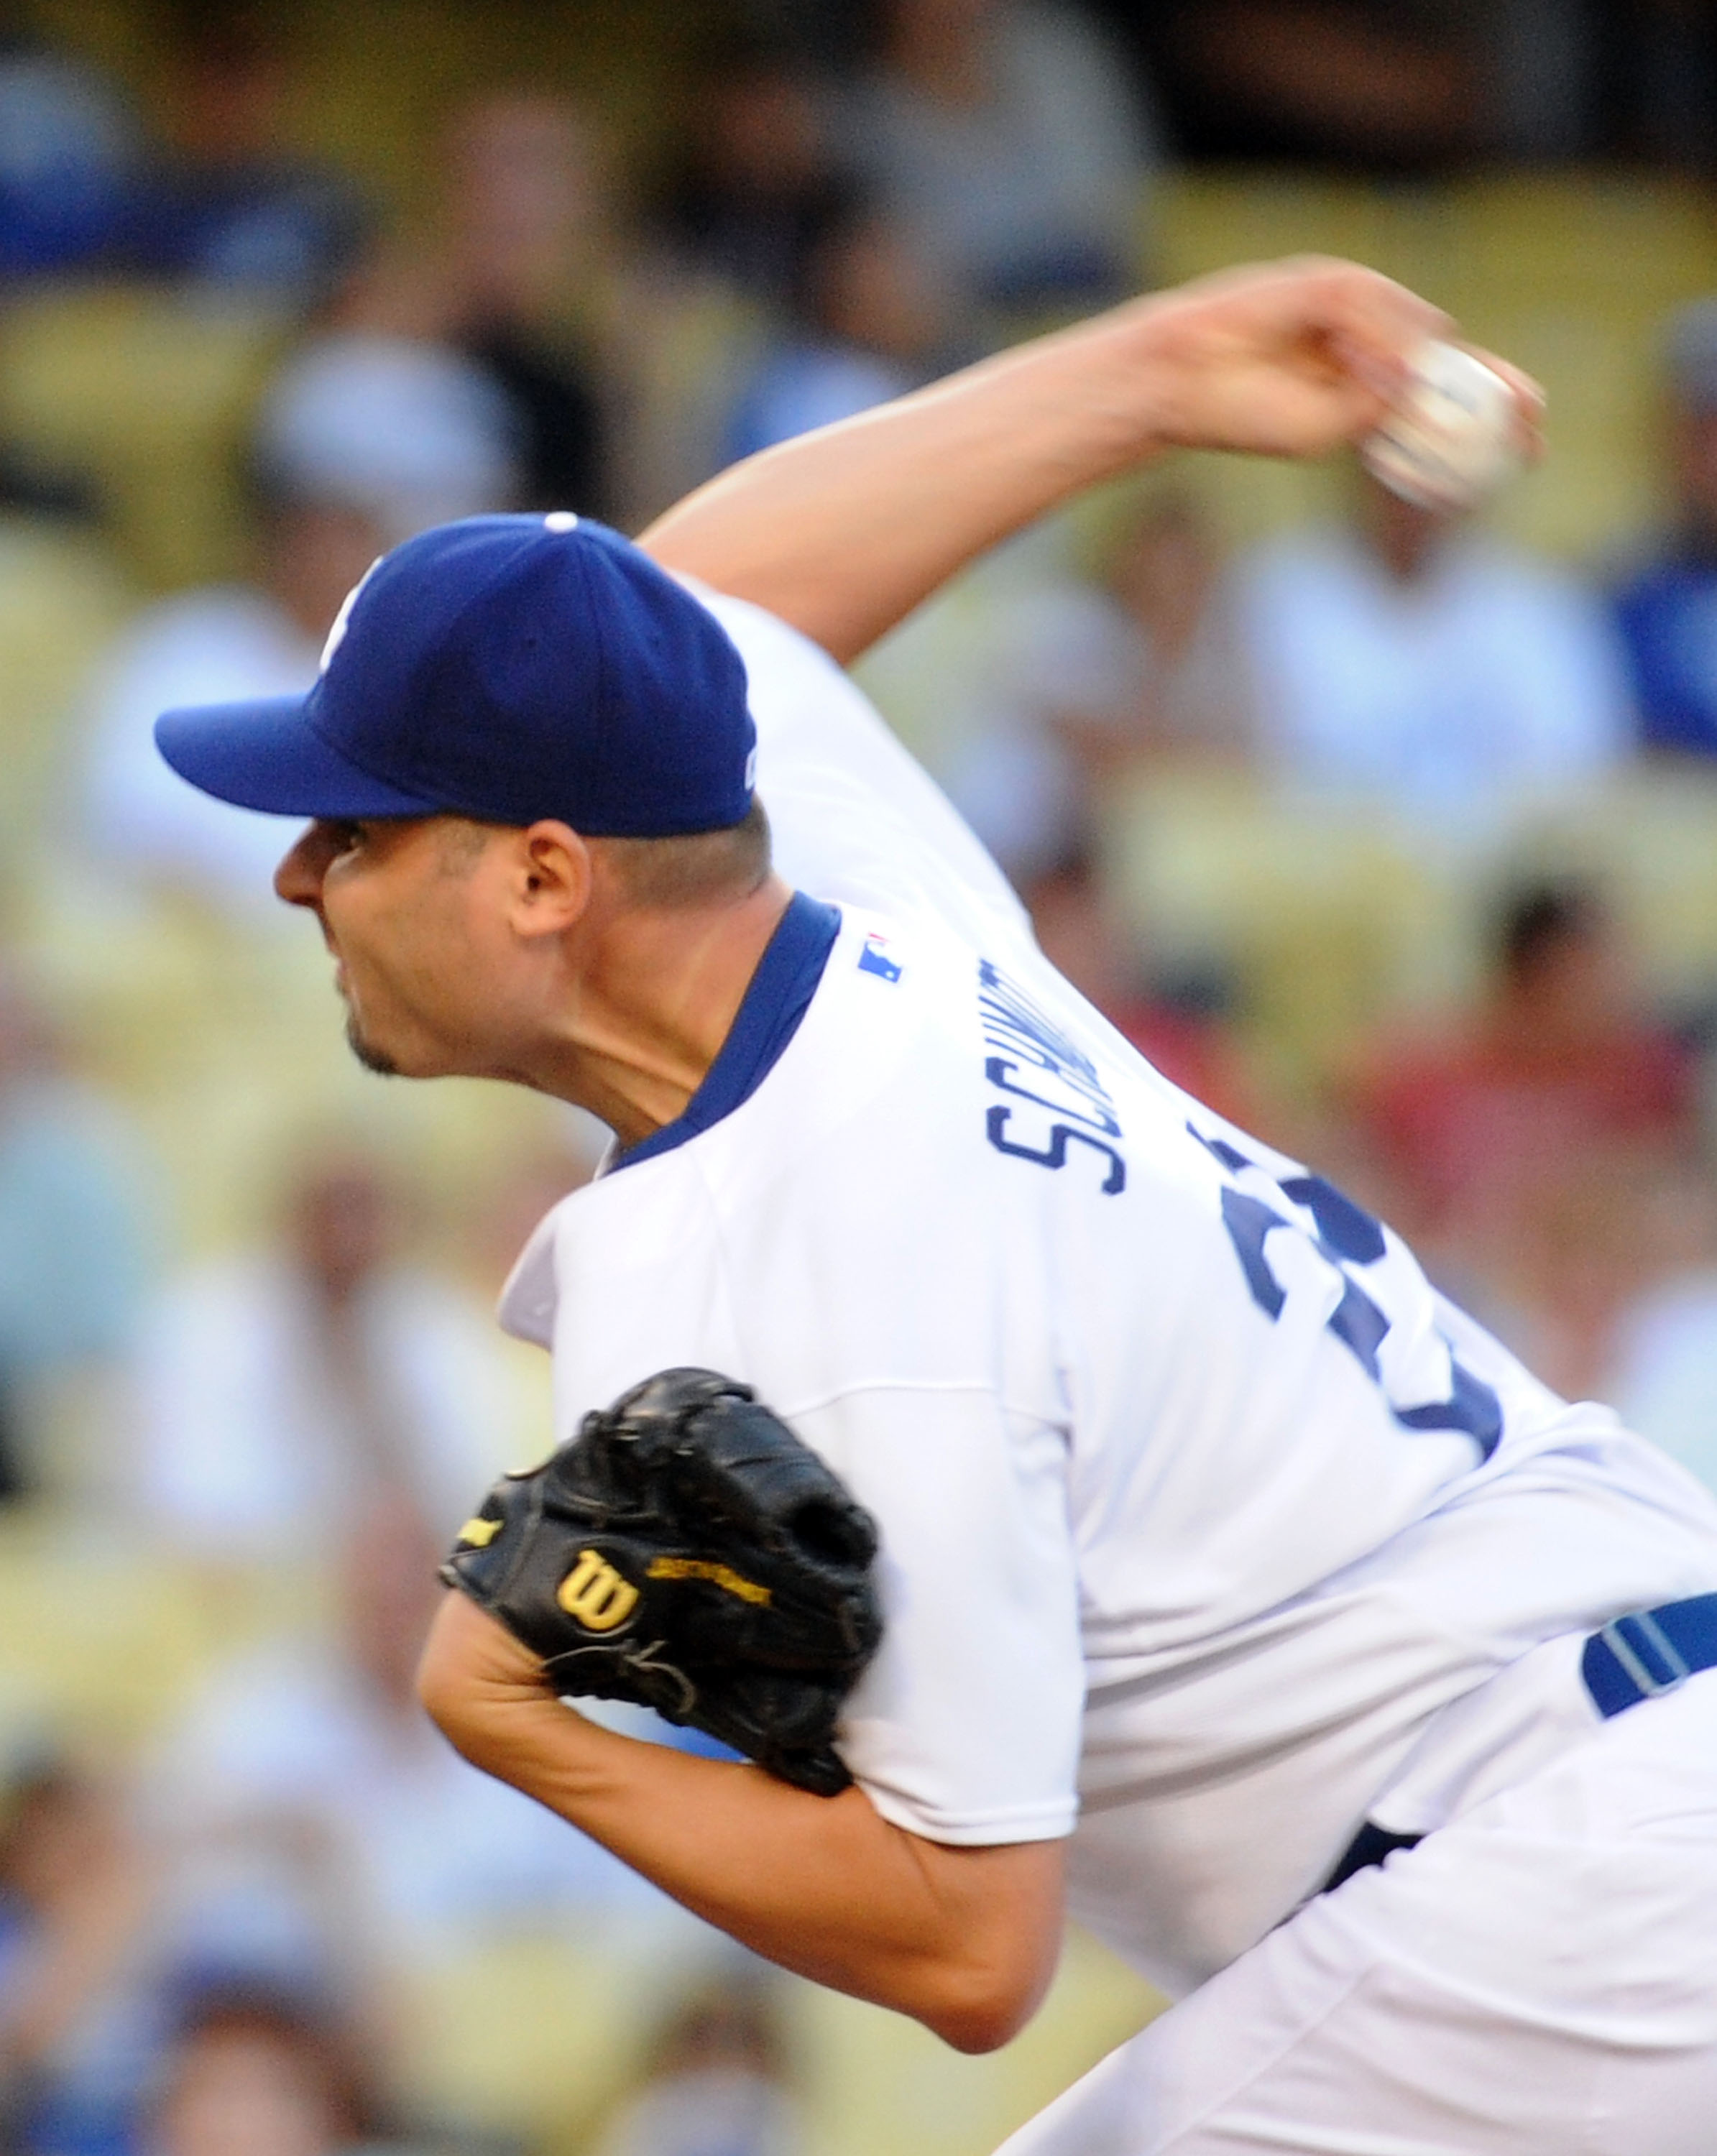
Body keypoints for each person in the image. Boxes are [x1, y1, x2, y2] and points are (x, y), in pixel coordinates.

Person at [149, 262, 1717, 2152]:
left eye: (358, 831)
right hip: (1604, 1764)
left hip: (1563, 1904)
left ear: (549, 881)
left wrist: (514, 1721)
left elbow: (973, 1952)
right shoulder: (829, 895)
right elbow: (698, 610)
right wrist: (1146, 374)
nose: (298, 877)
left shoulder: (814, 1275)